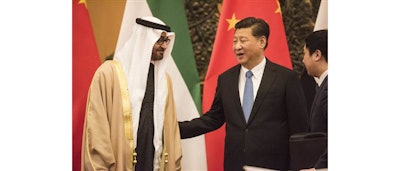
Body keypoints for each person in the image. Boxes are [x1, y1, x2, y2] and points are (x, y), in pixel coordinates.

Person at [179, 17, 309, 171]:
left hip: (274, 166)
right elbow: (213, 119)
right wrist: (173, 130)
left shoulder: (286, 78)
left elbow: (299, 126)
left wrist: (303, 165)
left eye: (243, 40)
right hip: (235, 164)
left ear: (262, 42)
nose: (237, 47)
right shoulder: (226, 79)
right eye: (234, 41)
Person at [81, 16, 182, 171]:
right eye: (159, 40)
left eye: (166, 41)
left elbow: (171, 131)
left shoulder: (164, 80)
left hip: (152, 162)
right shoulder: (108, 75)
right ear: (144, 40)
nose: (164, 46)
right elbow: (97, 131)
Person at [301, 29, 328, 170]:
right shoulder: (323, 85)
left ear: (317, 54)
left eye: (304, 53)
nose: (303, 59)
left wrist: (318, 168)